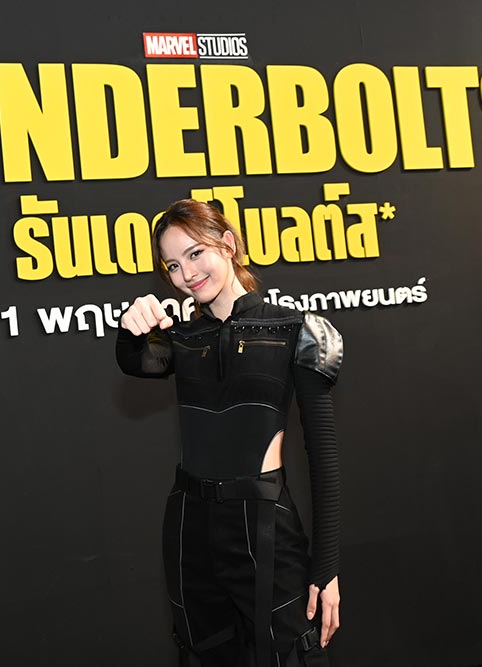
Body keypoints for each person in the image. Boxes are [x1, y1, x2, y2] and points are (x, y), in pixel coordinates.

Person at [116, 199, 344, 667]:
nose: (186, 274)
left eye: (195, 253)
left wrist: (326, 569)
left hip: (264, 527)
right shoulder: (182, 338)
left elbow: (323, 458)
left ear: (228, 244)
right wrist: (132, 325)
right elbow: (135, 360)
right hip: (189, 528)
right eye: (173, 265)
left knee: (291, 657)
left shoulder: (294, 330)